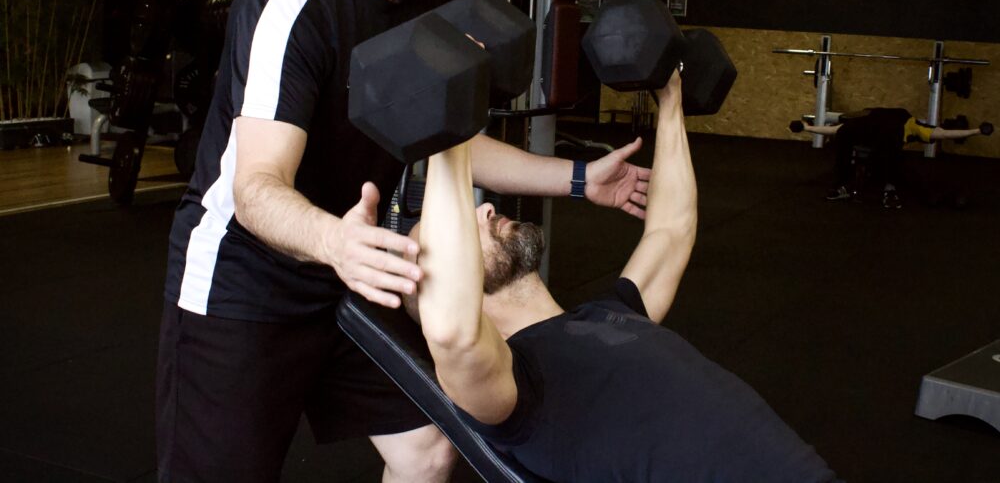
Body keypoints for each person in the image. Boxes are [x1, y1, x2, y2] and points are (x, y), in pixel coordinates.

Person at [155, 0, 651, 482]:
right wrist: (335, 243)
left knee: (427, 447)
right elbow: (256, 188)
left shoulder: (427, 10)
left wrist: (583, 179)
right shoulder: (298, 2)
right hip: (243, 286)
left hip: (350, 271)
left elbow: (452, 139)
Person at [407, 70, 840, 482]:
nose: (485, 208)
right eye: (462, 226)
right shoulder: (511, 389)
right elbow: (451, 333)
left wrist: (670, 97)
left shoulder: (611, 312)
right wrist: (450, 121)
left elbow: (672, 229)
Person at [791, 108, 989, 209]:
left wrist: (806, 128)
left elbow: (833, 130)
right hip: (880, 138)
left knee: (869, 146)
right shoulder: (906, 125)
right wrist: (977, 131)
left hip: (872, 136)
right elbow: (945, 134)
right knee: (885, 152)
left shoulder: (895, 123)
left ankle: (844, 187)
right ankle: (886, 190)